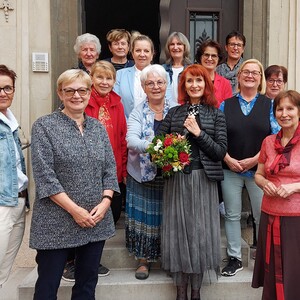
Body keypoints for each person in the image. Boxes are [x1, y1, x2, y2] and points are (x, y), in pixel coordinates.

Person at [29, 69, 119, 300]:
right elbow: (45, 176)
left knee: (87, 286)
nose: (76, 95)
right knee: (47, 287)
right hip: (55, 221)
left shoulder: (98, 128)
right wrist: (75, 210)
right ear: (60, 93)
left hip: (94, 219)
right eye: (69, 90)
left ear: (90, 93)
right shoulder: (44, 126)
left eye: (82, 90)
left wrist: (106, 201)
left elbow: (110, 169)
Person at [158, 64, 227, 300]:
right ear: (184, 86)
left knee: (199, 234)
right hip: (177, 182)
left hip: (204, 181)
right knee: (178, 232)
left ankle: (196, 292)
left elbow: (219, 152)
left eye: (199, 80)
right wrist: (170, 149)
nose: (194, 85)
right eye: (189, 81)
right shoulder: (174, 113)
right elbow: (156, 149)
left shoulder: (216, 114)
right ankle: (180, 292)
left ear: (206, 84)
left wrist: (199, 133)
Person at [219, 59, 280, 277]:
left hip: (259, 172)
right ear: (239, 75)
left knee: (261, 216)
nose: (250, 75)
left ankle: (264, 259)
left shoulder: (269, 105)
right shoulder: (226, 104)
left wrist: (255, 160)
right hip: (230, 169)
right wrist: (227, 159)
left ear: (260, 78)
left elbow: (274, 138)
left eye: (255, 72)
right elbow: (219, 136)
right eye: (246, 71)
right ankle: (234, 258)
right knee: (232, 215)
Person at [126, 64, 177, 280]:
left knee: (167, 218)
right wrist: (158, 147)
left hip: (169, 175)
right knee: (143, 218)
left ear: (167, 84)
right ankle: (143, 261)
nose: (155, 87)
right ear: (143, 86)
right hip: (142, 174)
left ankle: (167, 258)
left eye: (160, 82)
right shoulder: (137, 111)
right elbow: (131, 141)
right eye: (150, 83)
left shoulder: (176, 109)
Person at [252, 90, 300, 299]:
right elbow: (259, 175)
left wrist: (295, 187)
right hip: (270, 214)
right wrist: (264, 184)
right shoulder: (269, 142)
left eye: (290, 108)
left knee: (294, 270)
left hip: (296, 218)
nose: (284, 113)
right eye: (279, 109)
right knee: (274, 270)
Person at [87, 60, 127, 225]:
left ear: (114, 81)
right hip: (89, 169)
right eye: (100, 77)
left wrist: (123, 170)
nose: (104, 82)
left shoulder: (117, 104)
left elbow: (122, 138)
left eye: (109, 78)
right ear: (91, 78)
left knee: (114, 214)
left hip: (113, 168)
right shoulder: (83, 101)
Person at [0, 65, 29, 287]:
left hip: (18, 201)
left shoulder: (11, 120)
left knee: (3, 271)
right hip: (2, 203)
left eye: (7, 88)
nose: (3, 93)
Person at [114, 34, 172, 119]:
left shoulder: (163, 74)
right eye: (138, 50)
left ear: (152, 54)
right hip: (126, 125)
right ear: (132, 53)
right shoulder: (120, 75)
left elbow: (167, 102)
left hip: (156, 126)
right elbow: (116, 103)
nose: (142, 54)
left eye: (146, 51)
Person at [195, 39, 232, 106]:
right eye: (206, 55)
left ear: (219, 59)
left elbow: (228, 109)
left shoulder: (225, 84)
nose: (209, 58)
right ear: (200, 57)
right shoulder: (192, 80)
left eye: (214, 56)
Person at [162, 32, 191, 102]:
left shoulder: (191, 70)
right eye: (172, 44)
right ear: (168, 48)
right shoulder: (162, 70)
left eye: (179, 44)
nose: (175, 47)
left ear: (185, 47)